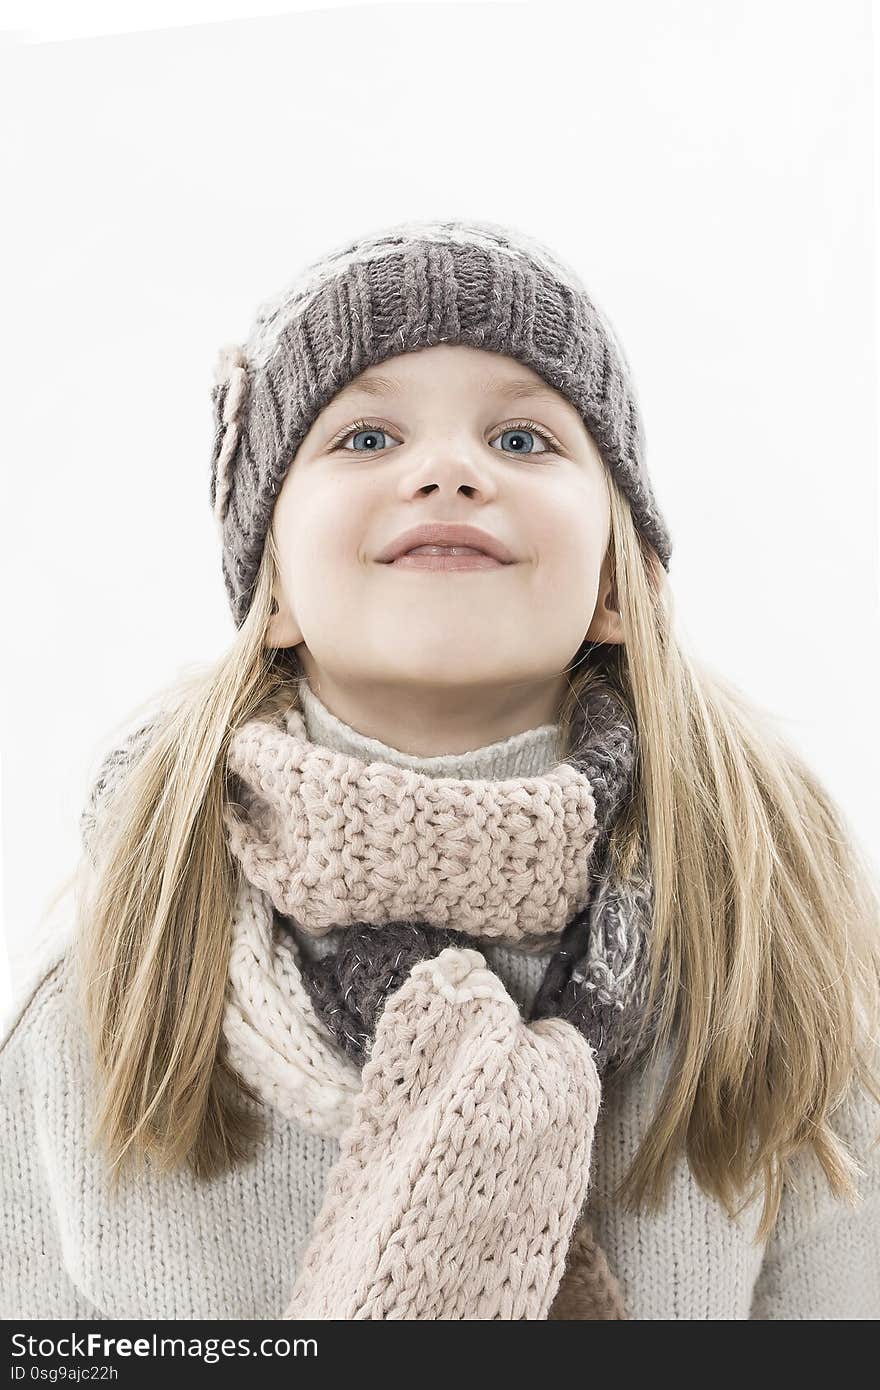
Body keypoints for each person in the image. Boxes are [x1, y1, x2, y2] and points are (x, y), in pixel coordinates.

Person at [2, 217, 878, 1319]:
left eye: (521, 439)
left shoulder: (775, 940)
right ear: (269, 589)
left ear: (618, 581)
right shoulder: (113, 974)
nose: (449, 470)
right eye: (366, 438)